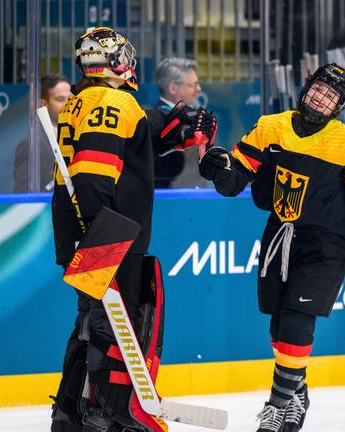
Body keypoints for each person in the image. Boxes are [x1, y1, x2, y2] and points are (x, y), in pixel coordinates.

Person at [198, 63, 345, 432]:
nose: (321, 97)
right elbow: (239, 174)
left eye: (331, 95)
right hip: (279, 235)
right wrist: (219, 172)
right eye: (318, 88)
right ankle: (297, 391)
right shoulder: (272, 127)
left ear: (340, 105)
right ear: (307, 88)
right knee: (279, 320)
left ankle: (277, 405)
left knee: (298, 319)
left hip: (326, 245)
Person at [50, 27, 215, 432]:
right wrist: (103, 239)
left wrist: (175, 135)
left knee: (90, 324)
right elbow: (92, 175)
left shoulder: (81, 100)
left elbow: (129, 145)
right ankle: (108, 415)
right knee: (112, 327)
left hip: (84, 229)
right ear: (119, 62)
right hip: (109, 233)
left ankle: (70, 413)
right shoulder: (114, 101)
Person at [13, 75, 72, 192]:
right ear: (43, 104)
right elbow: (23, 194)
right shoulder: (31, 145)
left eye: (70, 99)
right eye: (60, 99)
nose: (68, 104)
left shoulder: (81, 136)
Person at [152, 57, 202, 188]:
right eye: (193, 85)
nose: (199, 89)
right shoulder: (160, 120)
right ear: (173, 88)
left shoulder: (185, 117)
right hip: (173, 198)